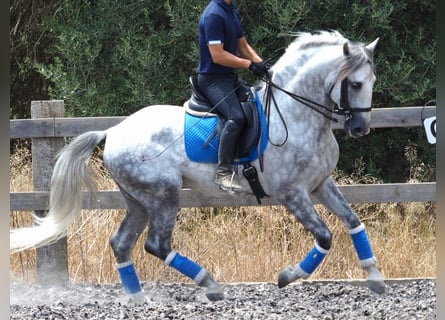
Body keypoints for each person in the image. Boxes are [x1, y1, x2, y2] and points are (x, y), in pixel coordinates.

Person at [197, 0, 271, 193]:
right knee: (235, 117)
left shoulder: (231, 10)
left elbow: (243, 46)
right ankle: (223, 172)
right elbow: (218, 55)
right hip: (212, 80)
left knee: (258, 105)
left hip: (228, 78)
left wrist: (264, 67)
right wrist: (249, 65)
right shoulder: (214, 14)